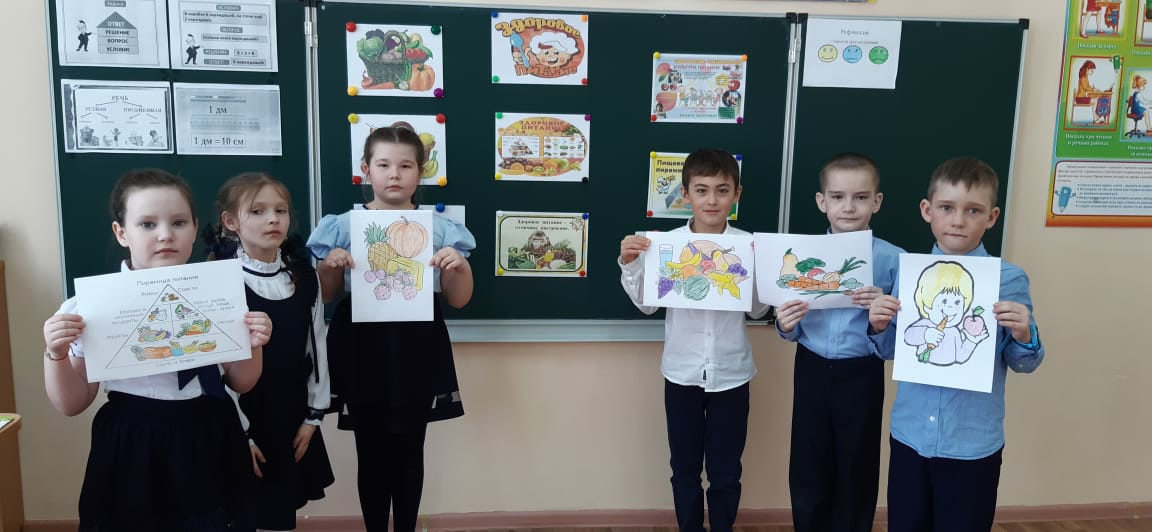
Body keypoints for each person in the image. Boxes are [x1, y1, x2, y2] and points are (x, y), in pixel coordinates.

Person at [42, 169, 270, 530]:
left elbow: (241, 381)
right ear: (121, 232)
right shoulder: (87, 307)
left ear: (195, 228)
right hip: (133, 439)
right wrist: (55, 354)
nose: (165, 235)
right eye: (147, 224)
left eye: (178, 222)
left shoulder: (221, 294)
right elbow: (72, 403)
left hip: (208, 432)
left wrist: (253, 344)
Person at [307, 126, 475, 531]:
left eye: (405, 166)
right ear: (366, 169)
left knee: (411, 449)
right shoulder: (342, 225)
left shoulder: (440, 228)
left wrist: (458, 267)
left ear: (421, 172)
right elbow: (327, 295)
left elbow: (459, 299)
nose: (394, 174)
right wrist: (330, 266)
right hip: (363, 344)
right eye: (383, 165)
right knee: (370, 450)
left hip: (417, 342)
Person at [868, 157, 1044, 532]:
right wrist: (879, 326)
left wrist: (1024, 335)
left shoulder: (1009, 280)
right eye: (947, 208)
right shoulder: (908, 274)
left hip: (973, 444)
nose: (958, 220)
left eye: (973, 210)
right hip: (911, 436)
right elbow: (890, 351)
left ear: (992, 217)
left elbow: (1023, 363)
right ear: (927, 210)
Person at [618, 148, 770, 532]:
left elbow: (757, 311)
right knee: (684, 468)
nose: (712, 200)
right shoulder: (665, 245)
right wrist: (631, 265)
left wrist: (761, 271)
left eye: (722, 190)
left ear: (737, 194)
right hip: (681, 374)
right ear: (685, 194)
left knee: (725, 471)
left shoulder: (748, 245)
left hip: (732, 375)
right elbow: (647, 307)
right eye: (701, 190)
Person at [773, 153, 903, 532]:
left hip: (862, 372)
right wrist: (784, 325)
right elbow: (789, 325)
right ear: (822, 202)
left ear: (877, 202)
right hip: (811, 367)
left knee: (857, 467)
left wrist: (880, 318)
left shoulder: (893, 260)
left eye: (860, 197)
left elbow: (895, 345)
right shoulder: (799, 257)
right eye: (838, 197)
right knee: (808, 465)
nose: (849, 207)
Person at [206, 172, 335, 531]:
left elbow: (317, 345)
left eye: (281, 210)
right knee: (238, 510)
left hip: (289, 413)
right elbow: (214, 367)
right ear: (231, 221)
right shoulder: (219, 280)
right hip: (241, 415)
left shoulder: (304, 277)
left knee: (279, 510)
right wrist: (240, 432)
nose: (273, 219)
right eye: (257, 211)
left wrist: (313, 416)